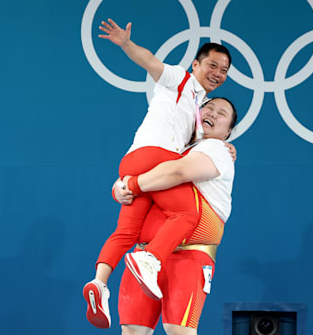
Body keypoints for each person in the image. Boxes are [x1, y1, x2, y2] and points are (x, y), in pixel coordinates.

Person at [83, 18, 232, 329]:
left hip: (131, 162)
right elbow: (150, 61)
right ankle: (150, 259)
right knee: (187, 215)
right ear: (195, 63)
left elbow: (200, 147)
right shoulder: (180, 80)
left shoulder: (198, 109)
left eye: (224, 70)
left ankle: (99, 282)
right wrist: (126, 44)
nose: (218, 74)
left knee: (125, 233)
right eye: (212, 65)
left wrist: (227, 147)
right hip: (156, 159)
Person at [115, 97, 237, 335]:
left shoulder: (216, 149)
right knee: (131, 331)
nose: (212, 113)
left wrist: (130, 183)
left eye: (221, 113)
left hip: (188, 257)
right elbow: (141, 171)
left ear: (228, 131)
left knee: (179, 331)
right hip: (144, 256)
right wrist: (119, 186)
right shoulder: (172, 147)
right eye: (208, 108)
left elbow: (177, 172)